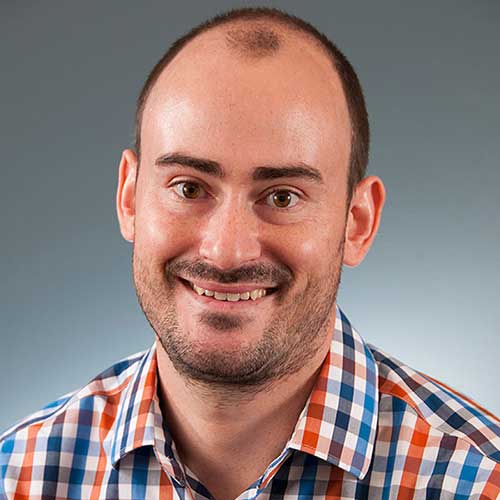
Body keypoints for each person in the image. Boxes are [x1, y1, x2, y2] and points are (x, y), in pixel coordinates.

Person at [1, 7, 499, 500]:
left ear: (357, 223)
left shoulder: (481, 483)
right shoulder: (18, 476)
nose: (225, 250)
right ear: (129, 198)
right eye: (189, 188)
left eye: (282, 196)